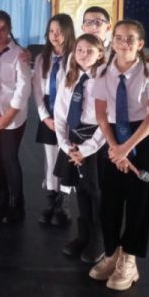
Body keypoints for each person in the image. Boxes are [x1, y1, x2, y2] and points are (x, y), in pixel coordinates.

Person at [90, 19, 149, 291]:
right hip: (111, 141)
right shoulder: (102, 72)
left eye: (130, 38)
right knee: (109, 202)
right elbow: (101, 114)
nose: (123, 43)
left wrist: (126, 148)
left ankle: (129, 259)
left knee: (138, 202)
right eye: (119, 38)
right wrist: (114, 147)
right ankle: (112, 252)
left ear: (140, 44)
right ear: (112, 41)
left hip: (140, 140)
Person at [53, 34, 106, 263]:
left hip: (95, 142)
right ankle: (83, 236)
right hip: (73, 141)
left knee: (96, 191)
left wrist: (86, 149)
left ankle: (99, 240)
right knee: (81, 189)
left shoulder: (105, 79)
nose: (84, 55)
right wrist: (65, 145)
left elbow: (107, 119)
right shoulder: (70, 76)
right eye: (80, 50)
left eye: (90, 51)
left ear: (100, 54)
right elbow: (59, 112)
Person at [0, 10, 31, 224]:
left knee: (9, 157)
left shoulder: (19, 54)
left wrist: (8, 116)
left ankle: (16, 202)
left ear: (10, 29)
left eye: (3, 29)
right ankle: (1, 200)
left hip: (13, 115)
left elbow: (24, 88)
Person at [32, 13, 76, 226]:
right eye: (51, 31)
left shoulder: (75, 57)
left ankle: (63, 202)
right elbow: (38, 91)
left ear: (68, 33)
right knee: (50, 159)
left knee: (66, 157)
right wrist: (45, 117)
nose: (55, 35)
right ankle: (51, 199)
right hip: (49, 115)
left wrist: (66, 119)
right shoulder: (42, 58)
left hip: (68, 116)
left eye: (59, 31)